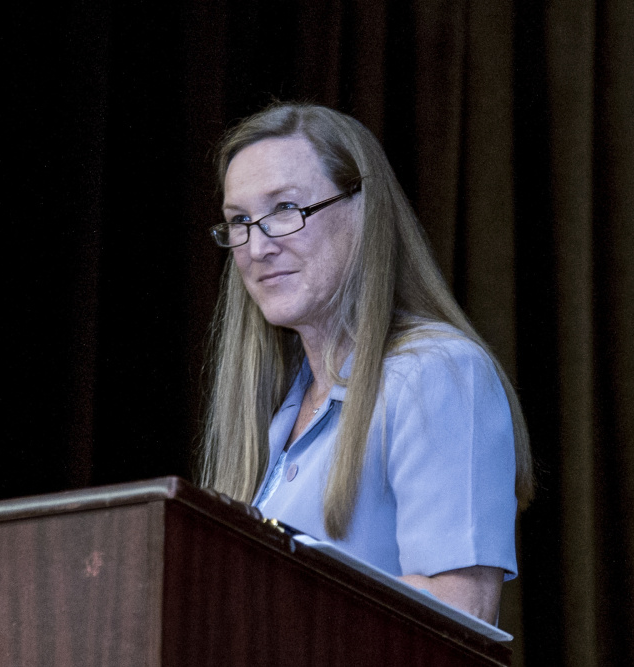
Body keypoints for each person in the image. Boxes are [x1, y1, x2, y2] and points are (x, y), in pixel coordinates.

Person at [197, 103, 534, 624]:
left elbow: (459, 619)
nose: (257, 245)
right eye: (238, 220)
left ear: (363, 209)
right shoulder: (279, 408)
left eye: (285, 208)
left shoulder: (437, 373)